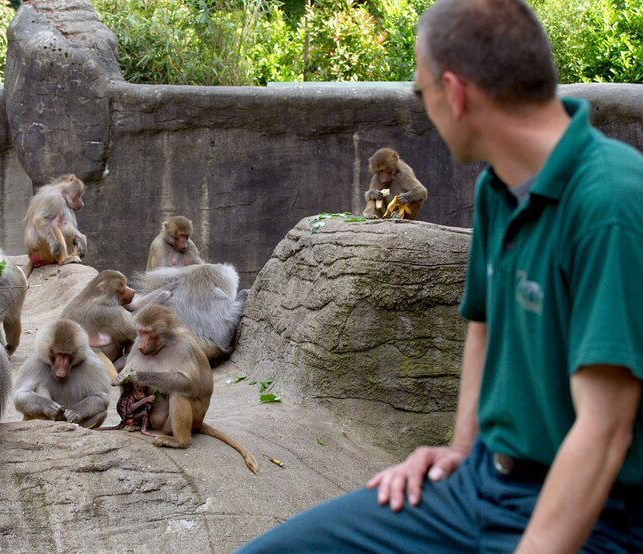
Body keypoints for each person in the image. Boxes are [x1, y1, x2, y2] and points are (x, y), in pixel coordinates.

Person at [239, 0, 643, 551]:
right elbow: (482, 322)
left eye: (420, 90)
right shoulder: (497, 188)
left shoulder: (612, 202)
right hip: (477, 482)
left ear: (453, 93)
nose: (423, 107)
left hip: (593, 513)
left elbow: (604, 431)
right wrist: (460, 448)